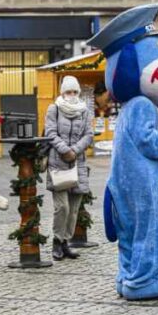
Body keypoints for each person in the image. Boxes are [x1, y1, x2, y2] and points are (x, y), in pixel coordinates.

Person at [44, 76, 93, 261]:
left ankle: (65, 242)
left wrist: (75, 150)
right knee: (62, 207)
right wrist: (65, 150)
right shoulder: (54, 108)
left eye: (74, 92)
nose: (71, 95)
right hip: (58, 163)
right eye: (68, 92)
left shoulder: (84, 111)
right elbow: (50, 132)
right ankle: (57, 241)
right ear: (62, 92)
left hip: (78, 163)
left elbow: (89, 135)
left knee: (73, 209)